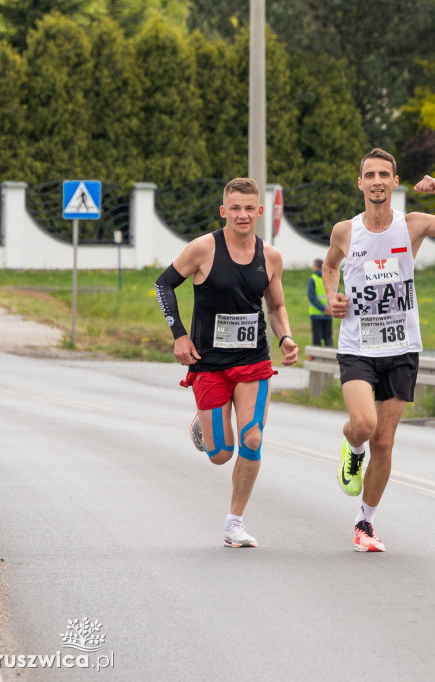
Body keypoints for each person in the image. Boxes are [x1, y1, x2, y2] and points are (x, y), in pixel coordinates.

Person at [322, 148, 435, 552]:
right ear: (360, 183)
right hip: (357, 345)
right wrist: (332, 295)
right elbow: (330, 267)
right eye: (370, 175)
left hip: (401, 347)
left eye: (385, 174)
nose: (377, 181)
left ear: (395, 182)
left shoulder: (412, 225)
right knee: (364, 426)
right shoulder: (344, 231)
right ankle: (352, 445)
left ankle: (365, 523)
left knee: (384, 441)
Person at [155, 177, 298, 548]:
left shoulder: (271, 257)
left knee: (253, 436)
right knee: (221, 454)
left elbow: (277, 305)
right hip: (209, 363)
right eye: (235, 208)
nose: (242, 215)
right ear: (224, 211)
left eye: (249, 208)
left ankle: (235, 522)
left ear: (260, 212)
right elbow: (163, 285)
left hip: (253, 361)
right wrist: (180, 335)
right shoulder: (203, 249)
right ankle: (203, 427)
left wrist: (285, 336)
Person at [308, 258, 333, 348]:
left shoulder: (313, 278)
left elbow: (312, 297)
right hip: (329, 313)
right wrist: (329, 309)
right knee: (328, 338)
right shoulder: (330, 277)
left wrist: (323, 309)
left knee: (316, 340)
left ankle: (315, 359)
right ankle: (329, 360)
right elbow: (335, 293)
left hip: (316, 314)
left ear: (315, 267)